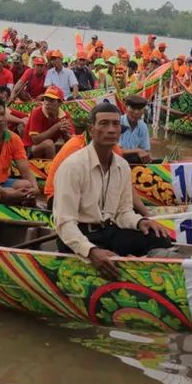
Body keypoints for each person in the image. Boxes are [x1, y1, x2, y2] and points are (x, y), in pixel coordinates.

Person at [53, 103, 175, 278]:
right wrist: (91, 251)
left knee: (159, 238)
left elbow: (123, 212)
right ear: (91, 129)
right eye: (104, 124)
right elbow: (64, 223)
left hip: (108, 231)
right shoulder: (73, 166)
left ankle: (142, 264)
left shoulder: (122, 166)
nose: (111, 129)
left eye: (116, 124)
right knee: (109, 259)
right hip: (78, 235)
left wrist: (140, 222)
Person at [23, 85, 72, 159]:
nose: (47, 103)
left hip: (48, 146)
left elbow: (71, 140)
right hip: (29, 149)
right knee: (49, 144)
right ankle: (51, 169)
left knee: (70, 147)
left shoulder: (65, 115)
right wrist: (56, 127)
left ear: (60, 103)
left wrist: (66, 134)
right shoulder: (37, 112)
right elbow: (35, 140)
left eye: (51, 100)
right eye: (45, 99)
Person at [119, 95, 152, 163]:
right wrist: (137, 150)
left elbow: (146, 150)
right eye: (133, 108)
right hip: (117, 160)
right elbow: (114, 150)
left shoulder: (143, 126)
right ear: (125, 109)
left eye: (139, 109)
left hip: (133, 162)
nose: (136, 112)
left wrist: (149, 159)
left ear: (143, 111)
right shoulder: (117, 122)